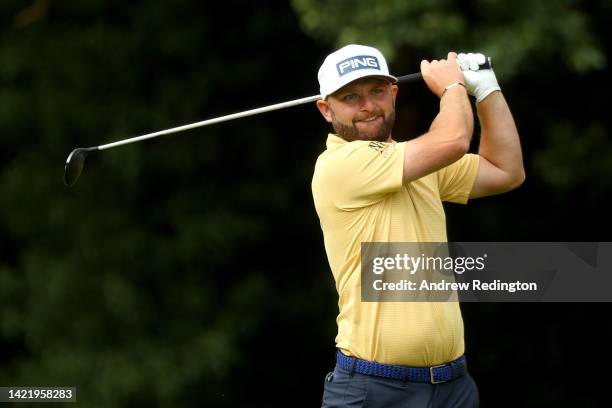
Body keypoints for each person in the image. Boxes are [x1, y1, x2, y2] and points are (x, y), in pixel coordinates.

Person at [311, 44, 524, 407]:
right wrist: (455, 88)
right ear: (326, 109)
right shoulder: (339, 166)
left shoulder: (415, 163)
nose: (367, 105)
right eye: (350, 97)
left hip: (453, 386)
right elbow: (454, 140)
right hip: (374, 389)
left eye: (376, 91)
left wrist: (487, 90)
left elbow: (506, 171)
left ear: (393, 94)